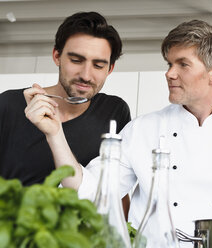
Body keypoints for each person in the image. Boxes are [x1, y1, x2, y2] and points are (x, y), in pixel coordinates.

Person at [25, 19, 212, 247]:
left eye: (182, 64)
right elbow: (90, 190)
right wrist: (54, 133)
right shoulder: (144, 129)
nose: (169, 73)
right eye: (169, 64)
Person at [0, 11, 131, 215]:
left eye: (98, 65)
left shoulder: (114, 111)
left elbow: (116, 190)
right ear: (57, 56)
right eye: (76, 60)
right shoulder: (8, 105)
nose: (86, 75)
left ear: (110, 68)